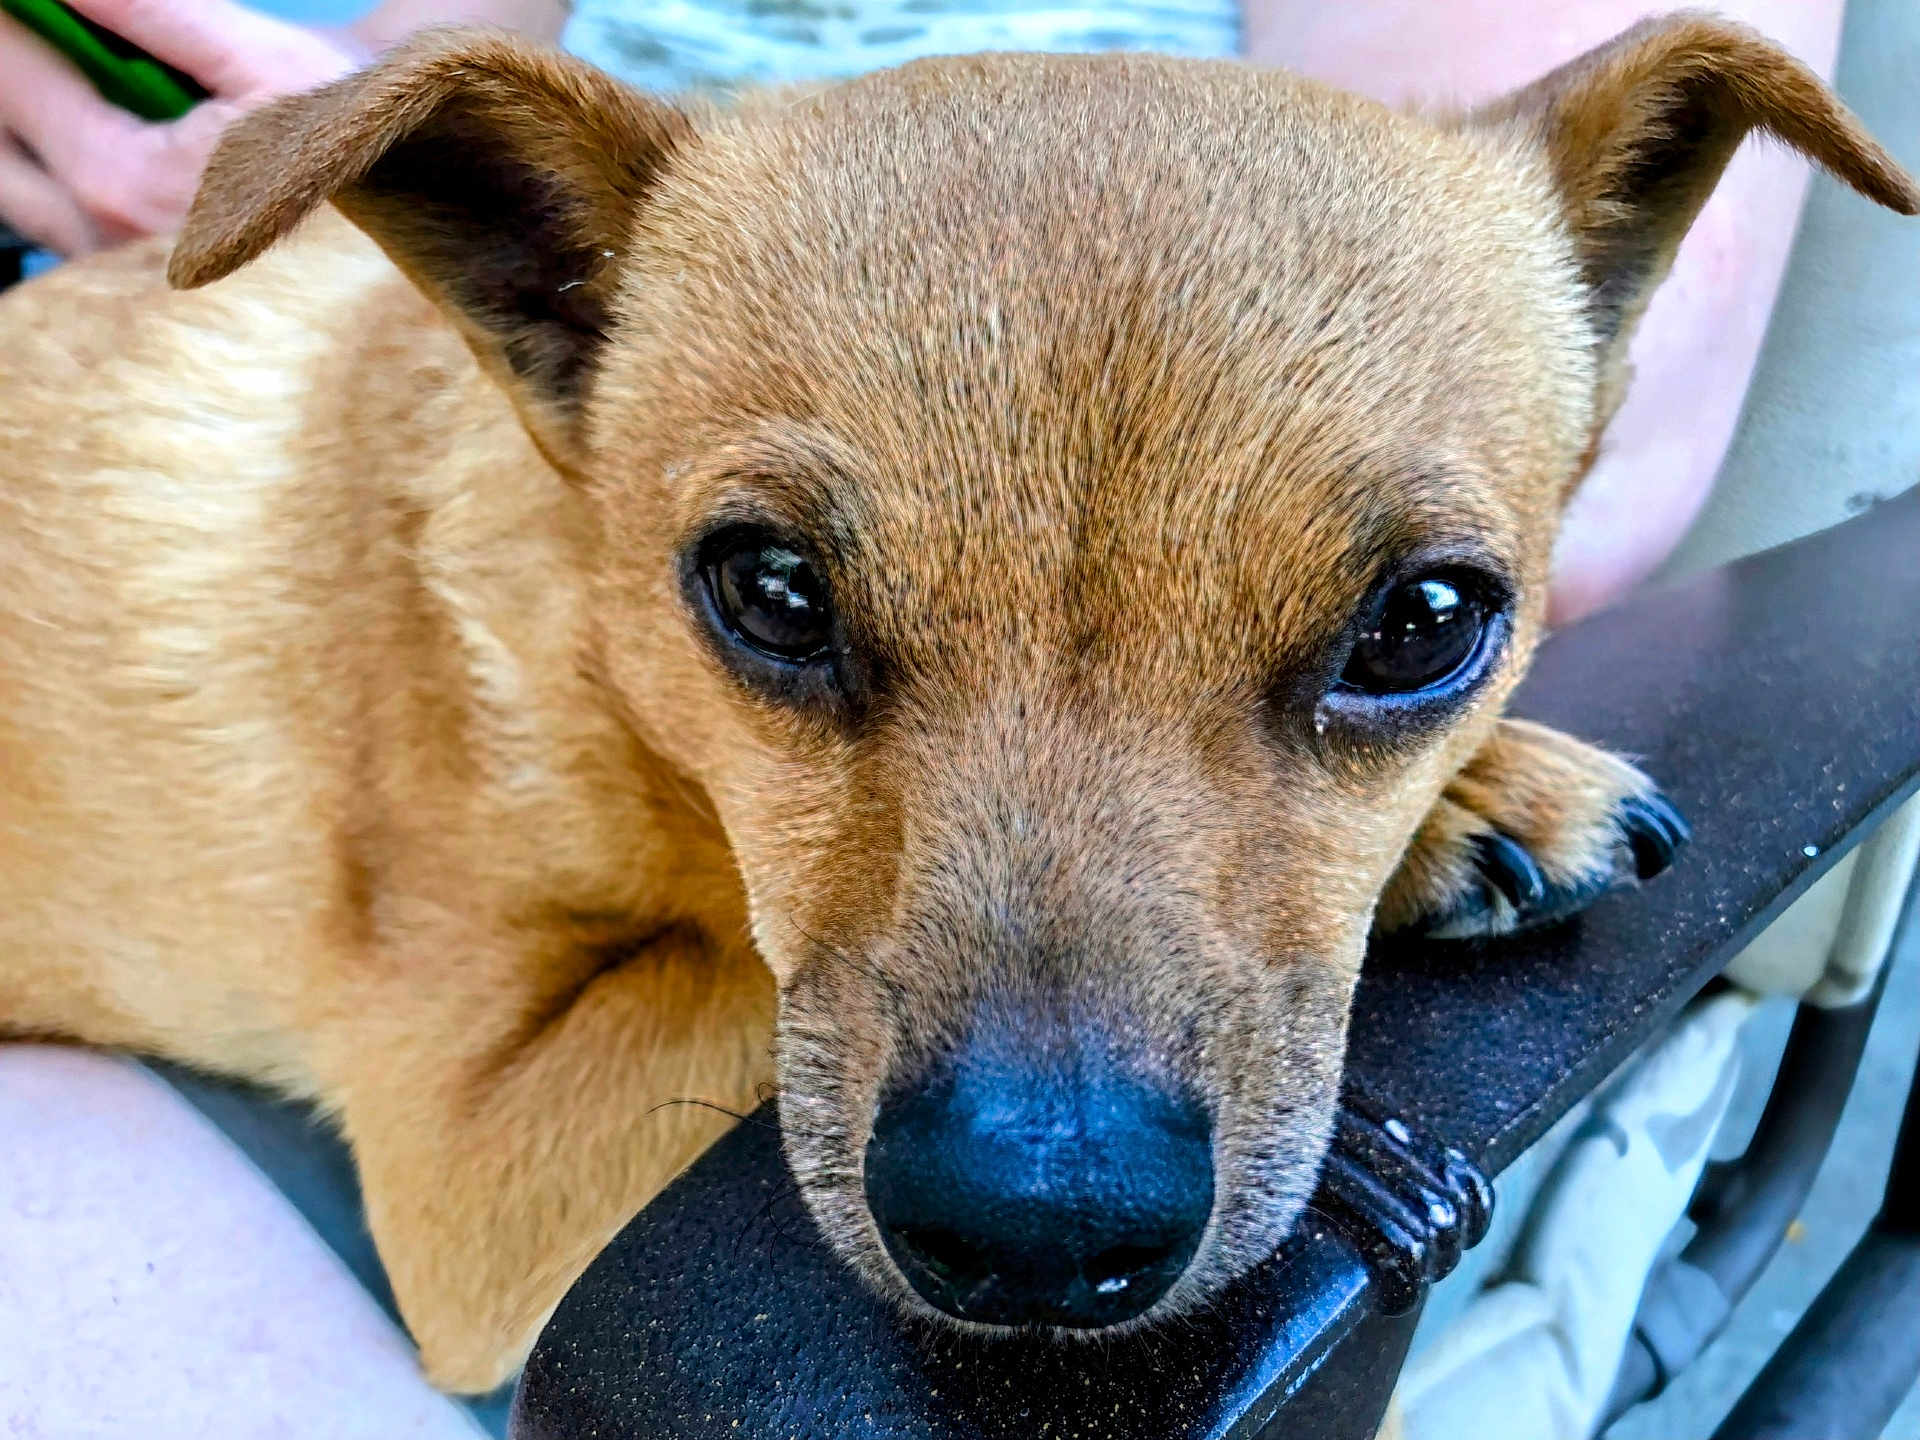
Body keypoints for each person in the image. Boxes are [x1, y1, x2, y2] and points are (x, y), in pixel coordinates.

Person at [0, 2, 1851, 1436]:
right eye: (789, 610)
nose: (1045, 1176)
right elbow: (477, 1252)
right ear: (541, 324)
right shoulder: (482, 545)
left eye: (1400, 634)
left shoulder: (1469, 280)